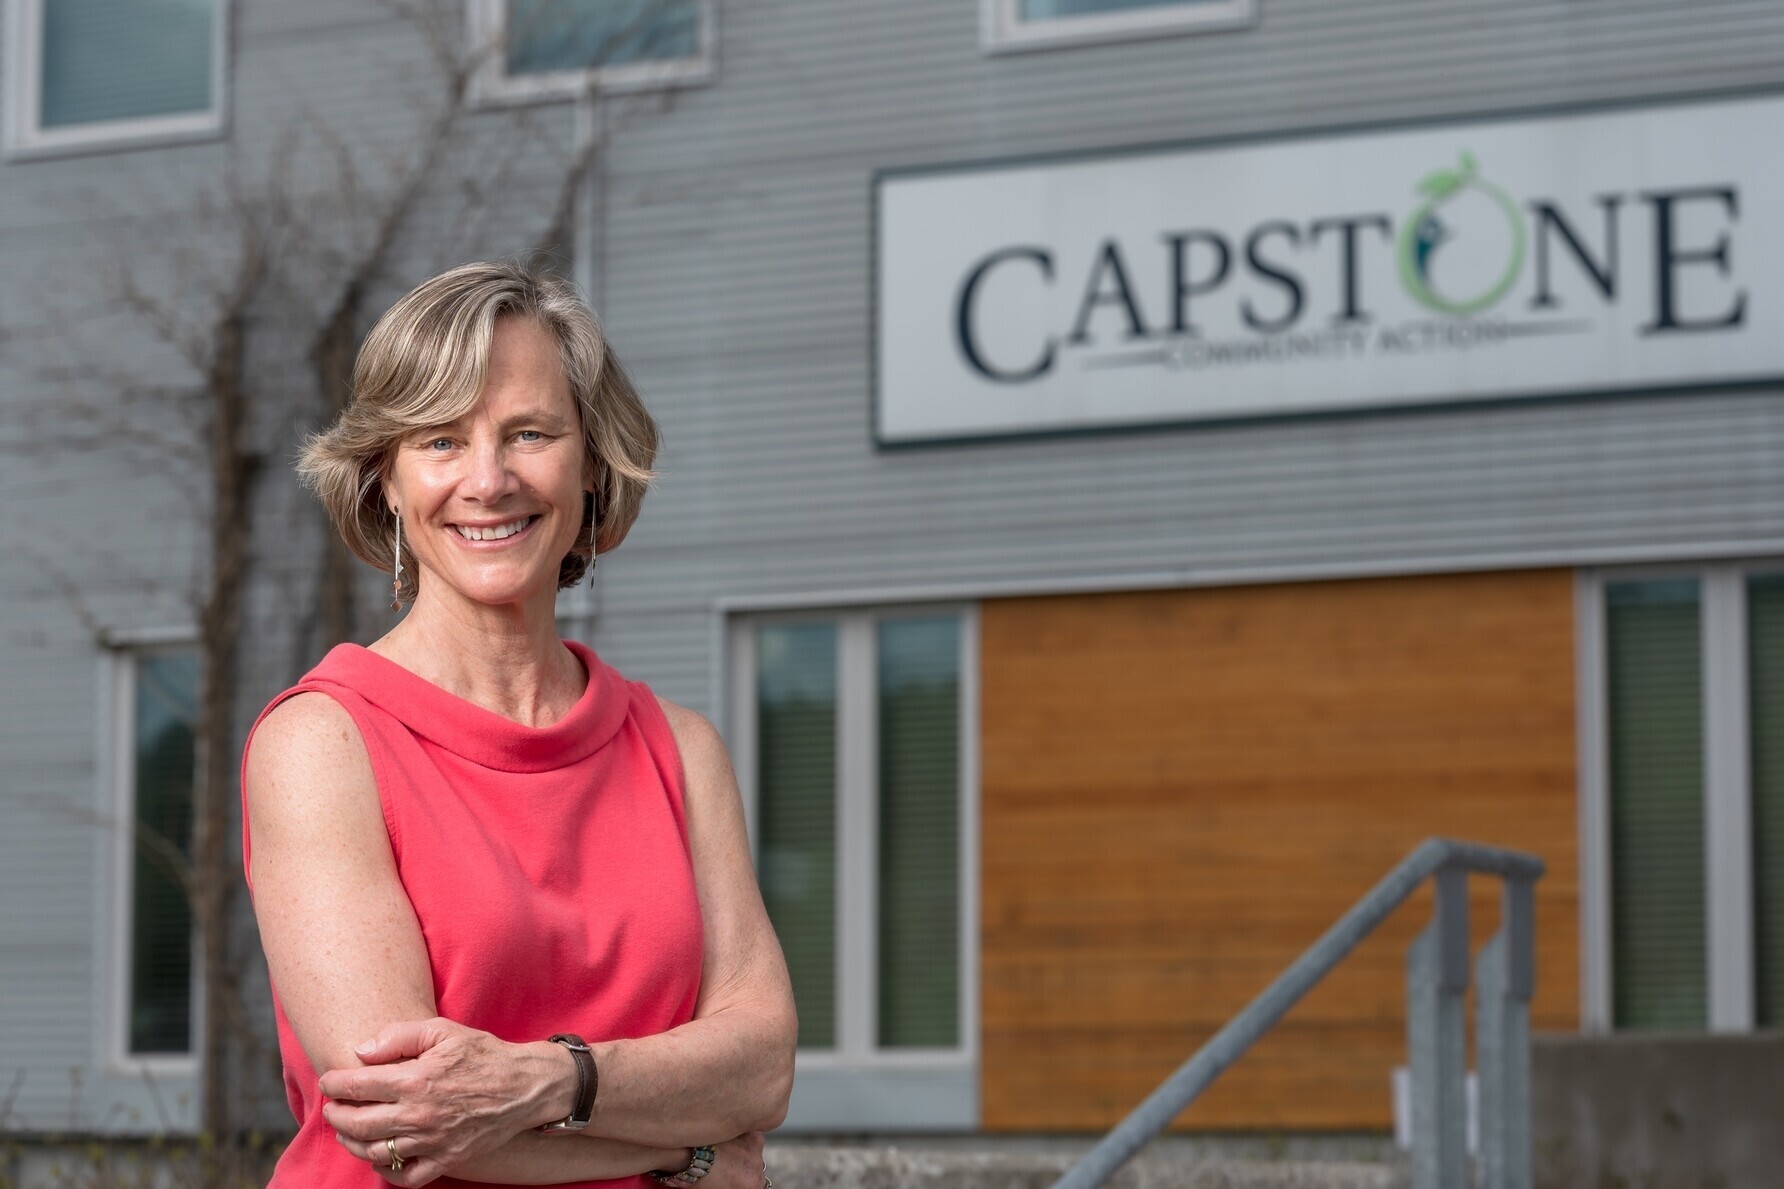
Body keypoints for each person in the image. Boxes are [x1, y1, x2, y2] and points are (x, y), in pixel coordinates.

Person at [242, 261, 796, 1188]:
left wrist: (548, 1077)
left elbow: (763, 1062)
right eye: (441, 441)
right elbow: (404, 1121)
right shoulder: (323, 743)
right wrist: (690, 1146)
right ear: (385, 478)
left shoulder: (680, 750)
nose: (488, 480)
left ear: (589, 462)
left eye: (528, 433)